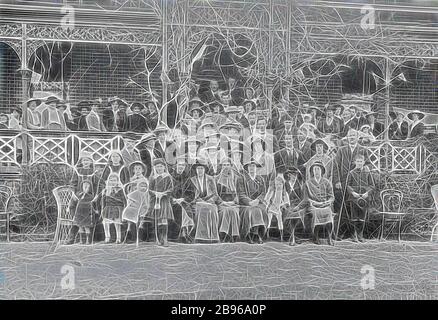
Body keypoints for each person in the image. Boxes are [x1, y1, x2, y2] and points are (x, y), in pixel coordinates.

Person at [332, 129, 369, 238]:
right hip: (343, 183)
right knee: (342, 208)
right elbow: (336, 166)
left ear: (358, 137)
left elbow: (368, 165)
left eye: (353, 135)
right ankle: (343, 233)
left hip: (357, 184)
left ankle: (357, 233)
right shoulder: (341, 150)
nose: (351, 137)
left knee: (357, 208)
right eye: (349, 136)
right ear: (347, 138)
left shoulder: (363, 150)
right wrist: (337, 180)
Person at [346, 152, 375, 243]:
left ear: (364, 162)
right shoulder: (351, 173)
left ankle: (360, 235)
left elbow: (372, 185)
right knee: (354, 217)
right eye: (357, 161)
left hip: (364, 198)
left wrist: (367, 193)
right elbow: (347, 185)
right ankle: (354, 235)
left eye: (361, 161)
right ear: (355, 162)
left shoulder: (367, 172)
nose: (359, 163)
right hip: (354, 198)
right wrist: (353, 192)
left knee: (362, 217)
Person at [237, 160, 268, 244]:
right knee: (252, 210)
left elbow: (263, 192)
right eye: (250, 166)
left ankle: (258, 233)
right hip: (246, 204)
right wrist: (250, 202)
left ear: (256, 168)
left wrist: (258, 200)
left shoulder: (260, 179)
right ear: (247, 168)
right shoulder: (242, 179)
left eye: (253, 166)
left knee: (262, 210)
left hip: (258, 202)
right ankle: (251, 234)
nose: (251, 168)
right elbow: (241, 193)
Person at [146, 158, 174, 247]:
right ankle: (158, 238)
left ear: (164, 167)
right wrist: (155, 193)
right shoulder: (152, 178)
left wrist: (163, 194)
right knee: (158, 219)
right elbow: (149, 190)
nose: (159, 168)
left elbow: (171, 189)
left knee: (164, 219)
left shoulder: (168, 177)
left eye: (161, 166)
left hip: (164, 200)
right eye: (157, 167)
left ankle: (165, 238)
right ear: (155, 168)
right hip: (155, 201)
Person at [305, 162, 335, 245]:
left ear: (322, 171)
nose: (317, 171)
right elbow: (306, 198)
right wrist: (313, 202)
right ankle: (316, 236)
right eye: (315, 169)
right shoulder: (308, 183)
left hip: (325, 204)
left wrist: (327, 202)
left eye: (318, 169)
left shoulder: (327, 182)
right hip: (313, 206)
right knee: (316, 212)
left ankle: (329, 237)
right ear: (312, 171)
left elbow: (332, 196)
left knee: (328, 212)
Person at [190, 161, 220, 243]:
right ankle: (200, 237)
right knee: (201, 209)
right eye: (198, 168)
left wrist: (210, 201)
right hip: (197, 203)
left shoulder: (210, 179)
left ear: (205, 170)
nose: (200, 170)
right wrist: (197, 200)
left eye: (202, 168)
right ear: (195, 170)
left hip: (210, 203)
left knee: (212, 210)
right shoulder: (192, 180)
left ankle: (212, 237)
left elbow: (215, 195)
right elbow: (190, 194)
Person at [170, 157, 195, 243]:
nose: (181, 167)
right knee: (179, 209)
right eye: (179, 164)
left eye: (183, 165)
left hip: (183, 201)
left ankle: (184, 233)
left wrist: (183, 199)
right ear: (175, 165)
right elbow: (165, 190)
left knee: (185, 209)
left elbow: (192, 193)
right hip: (171, 202)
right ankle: (182, 234)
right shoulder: (169, 177)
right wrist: (173, 199)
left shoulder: (187, 179)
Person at [216, 158, 240, 242]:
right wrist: (222, 202)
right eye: (224, 165)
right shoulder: (216, 179)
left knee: (232, 211)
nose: (226, 167)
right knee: (226, 211)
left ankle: (234, 235)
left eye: (227, 165)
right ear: (221, 166)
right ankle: (224, 234)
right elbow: (215, 194)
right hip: (222, 203)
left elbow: (239, 193)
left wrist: (233, 202)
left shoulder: (236, 178)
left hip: (234, 203)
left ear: (231, 166)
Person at [282, 168, 306, 246]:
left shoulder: (300, 184)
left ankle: (293, 236)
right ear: (288, 175)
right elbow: (282, 196)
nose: (294, 176)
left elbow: (303, 198)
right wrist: (284, 204)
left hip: (298, 205)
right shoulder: (285, 184)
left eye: (295, 174)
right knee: (288, 212)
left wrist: (299, 206)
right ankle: (292, 236)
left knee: (297, 213)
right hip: (287, 204)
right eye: (292, 174)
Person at [69, 180, 95, 245]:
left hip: (87, 213)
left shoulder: (91, 196)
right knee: (80, 226)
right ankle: (81, 240)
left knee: (87, 227)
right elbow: (74, 201)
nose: (86, 188)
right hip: (79, 213)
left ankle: (87, 240)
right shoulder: (79, 195)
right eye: (84, 186)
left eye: (87, 187)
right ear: (81, 187)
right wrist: (70, 207)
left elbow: (93, 204)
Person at [264, 174, 289, 241]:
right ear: (275, 185)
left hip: (278, 208)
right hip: (272, 207)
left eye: (280, 184)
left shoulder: (284, 193)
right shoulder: (273, 192)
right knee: (269, 219)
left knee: (280, 220)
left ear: (283, 185)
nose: (278, 186)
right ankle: (267, 234)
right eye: (277, 184)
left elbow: (287, 202)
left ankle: (281, 235)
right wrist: (268, 203)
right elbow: (267, 199)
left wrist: (282, 205)